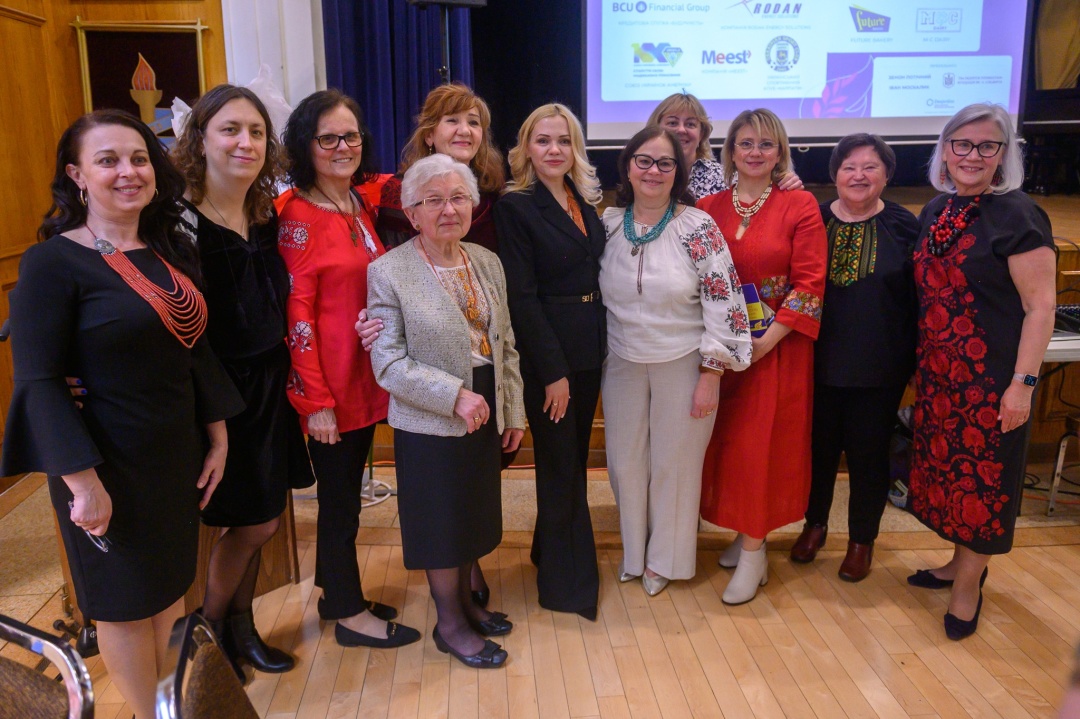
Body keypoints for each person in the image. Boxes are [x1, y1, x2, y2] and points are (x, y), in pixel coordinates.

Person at [0, 109, 244, 718]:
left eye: (138, 159)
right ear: (77, 175)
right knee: (125, 608)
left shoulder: (164, 247)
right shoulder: (52, 263)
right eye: (107, 160)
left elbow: (194, 350)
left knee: (167, 595)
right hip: (106, 463)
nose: (128, 172)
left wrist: (216, 436)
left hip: (174, 455)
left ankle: (167, 705)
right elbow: (38, 381)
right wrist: (82, 484)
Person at [171, 84, 312, 675]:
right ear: (200, 139)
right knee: (254, 521)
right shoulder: (177, 221)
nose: (245, 142)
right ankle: (206, 635)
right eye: (230, 129)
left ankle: (240, 629)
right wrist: (214, 413)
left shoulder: (262, 213)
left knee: (263, 516)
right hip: (218, 393)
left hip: (268, 386)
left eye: (256, 131)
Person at [367, 153, 526, 668]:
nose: (448, 209)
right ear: (412, 213)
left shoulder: (486, 261)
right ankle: (451, 625)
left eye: (458, 197)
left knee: (473, 513)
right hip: (430, 415)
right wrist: (453, 395)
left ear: (473, 205)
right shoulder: (388, 271)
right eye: (432, 200)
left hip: (485, 406)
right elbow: (388, 363)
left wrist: (513, 411)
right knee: (441, 523)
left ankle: (467, 606)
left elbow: (505, 344)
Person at [905, 103, 1055, 640]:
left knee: (983, 487)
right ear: (945, 150)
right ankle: (956, 564)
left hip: (992, 382)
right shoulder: (937, 209)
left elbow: (1041, 307)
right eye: (962, 144)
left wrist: (1023, 385)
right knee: (951, 481)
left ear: (1003, 154)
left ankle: (968, 588)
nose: (973, 155)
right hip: (942, 379)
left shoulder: (1019, 215)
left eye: (987, 146)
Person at [278, 89, 420, 648]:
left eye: (351, 136)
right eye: (328, 138)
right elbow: (297, 315)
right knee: (338, 504)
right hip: (330, 386)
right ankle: (347, 614)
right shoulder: (297, 215)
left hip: (365, 376)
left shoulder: (356, 203)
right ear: (305, 145)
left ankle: (337, 592)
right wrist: (315, 402)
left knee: (347, 499)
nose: (342, 147)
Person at [599, 126, 752, 597]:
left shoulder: (698, 227)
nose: (654, 171)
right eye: (644, 161)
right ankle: (635, 553)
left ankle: (665, 560)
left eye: (665, 163)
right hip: (621, 361)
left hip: (683, 362)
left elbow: (724, 301)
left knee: (675, 466)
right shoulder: (607, 224)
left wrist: (712, 373)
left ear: (677, 173)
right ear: (628, 166)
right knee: (625, 464)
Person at [698, 108, 827, 605]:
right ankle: (744, 533)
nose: (755, 152)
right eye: (746, 143)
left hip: (775, 352)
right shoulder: (708, 207)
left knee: (762, 449)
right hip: (720, 351)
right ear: (730, 151)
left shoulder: (800, 205)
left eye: (766, 144)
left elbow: (809, 284)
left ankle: (755, 551)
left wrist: (763, 344)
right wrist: (727, 348)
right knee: (730, 448)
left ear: (780, 153)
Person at [787, 134, 920, 582]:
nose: (859, 176)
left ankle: (862, 540)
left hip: (880, 368)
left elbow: (920, 300)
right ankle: (814, 525)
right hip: (816, 362)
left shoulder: (905, 225)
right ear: (835, 174)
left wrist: (915, 365)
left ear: (887, 174)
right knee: (817, 452)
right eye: (849, 167)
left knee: (869, 457)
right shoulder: (814, 218)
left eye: (870, 167)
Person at [494, 104, 606, 620]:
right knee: (560, 466)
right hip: (550, 359)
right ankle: (567, 586)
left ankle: (548, 551)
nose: (554, 150)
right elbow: (522, 297)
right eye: (543, 140)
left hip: (589, 350)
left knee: (573, 459)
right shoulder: (515, 207)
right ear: (526, 148)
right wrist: (553, 372)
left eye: (564, 140)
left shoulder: (582, 199)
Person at [377, 83, 505, 253]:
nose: (465, 131)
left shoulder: (492, 192)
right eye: (452, 120)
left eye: (473, 122)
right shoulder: (400, 191)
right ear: (429, 135)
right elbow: (395, 259)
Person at [647, 92, 803, 200]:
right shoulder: (641, 172)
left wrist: (783, 180)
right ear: (655, 129)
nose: (681, 130)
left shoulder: (726, 179)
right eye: (672, 123)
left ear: (702, 134)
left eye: (690, 124)